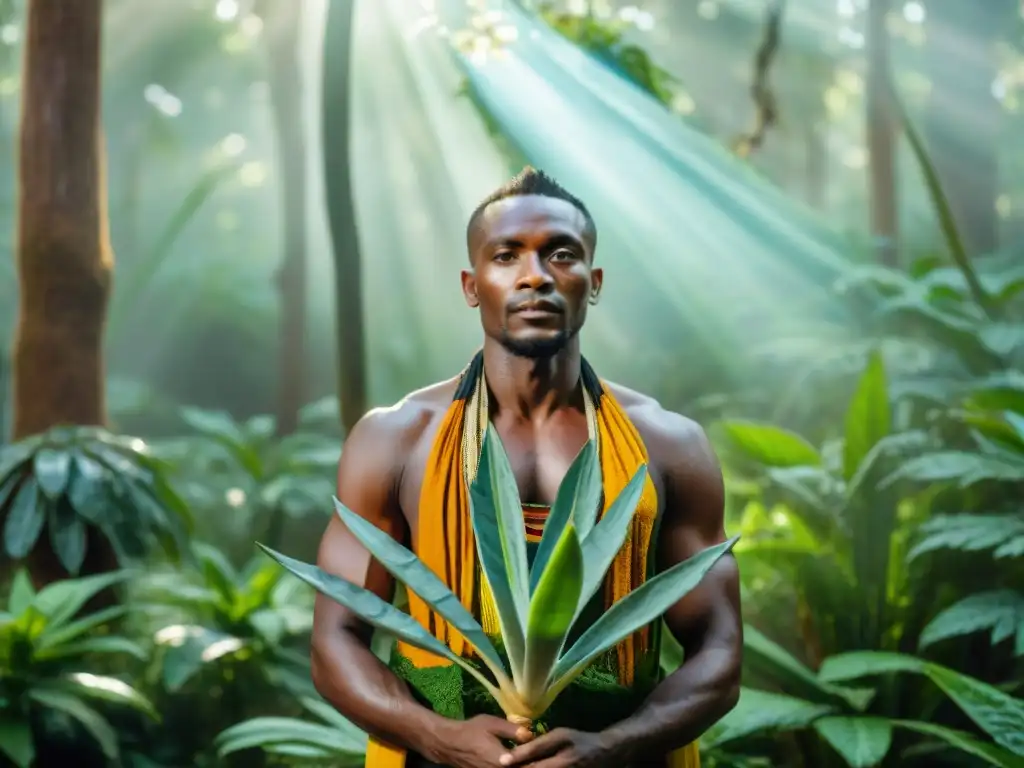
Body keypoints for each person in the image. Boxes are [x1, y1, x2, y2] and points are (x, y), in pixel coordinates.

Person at [310, 167, 742, 768]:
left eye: (560, 255)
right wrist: (434, 734)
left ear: (592, 282)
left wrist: (613, 745)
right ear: (472, 284)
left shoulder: (668, 446)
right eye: (507, 256)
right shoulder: (396, 439)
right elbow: (336, 640)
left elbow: (718, 649)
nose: (535, 276)